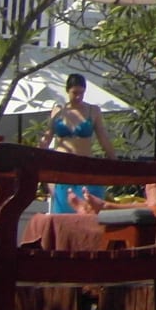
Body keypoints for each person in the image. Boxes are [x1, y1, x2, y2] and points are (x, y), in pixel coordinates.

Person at [44, 74, 115, 214]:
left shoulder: (93, 111)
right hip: (61, 170)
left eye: (81, 93)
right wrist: (42, 171)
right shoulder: (58, 111)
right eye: (74, 93)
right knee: (63, 216)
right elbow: (46, 140)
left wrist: (114, 161)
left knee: (88, 214)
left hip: (85, 168)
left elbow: (103, 139)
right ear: (67, 91)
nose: (78, 97)